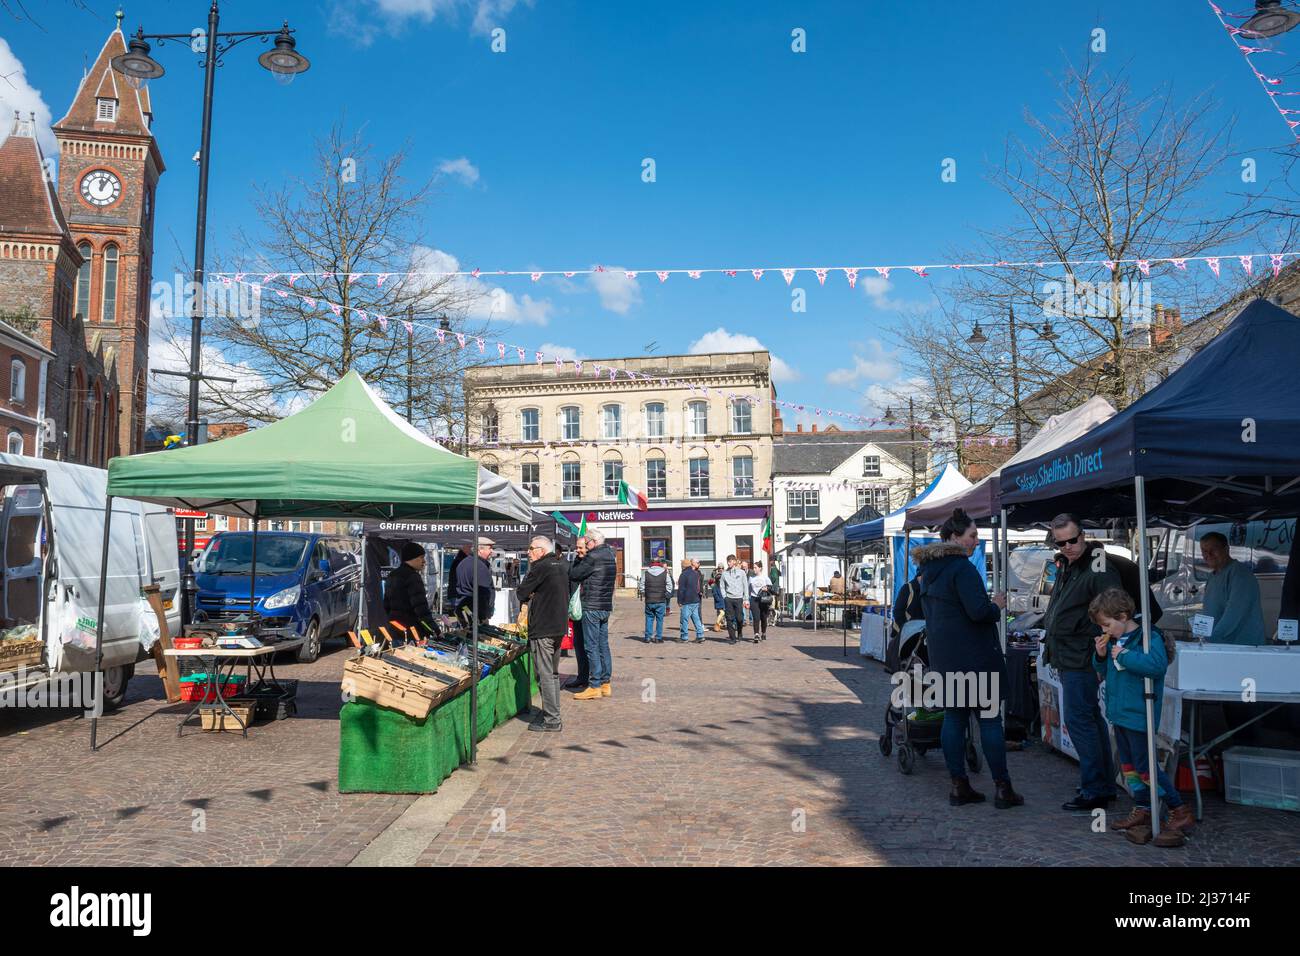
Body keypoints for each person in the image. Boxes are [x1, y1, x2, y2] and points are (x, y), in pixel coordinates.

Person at [915, 508, 1023, 810]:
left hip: (946, 659)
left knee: (954, 718)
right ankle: (1003, 788)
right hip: (976, 658)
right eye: (973, 535)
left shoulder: (928, 571)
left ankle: (959, 785)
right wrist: (996, 605)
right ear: (954, 538)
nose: (977, 541)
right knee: (989, 721)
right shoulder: (962, 569)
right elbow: (978, 612)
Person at [1089, 588, 1193, 845]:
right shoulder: (1116, 640)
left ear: (1123, 616)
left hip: (1139, 713)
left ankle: (1178, 809)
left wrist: (1124, 655)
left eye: (1107, 624)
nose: (1105, 629)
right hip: (1119, 712)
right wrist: (1100, 656)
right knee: (1129, 767)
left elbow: (1156, 667)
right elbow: (1104, 670)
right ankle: (1143, 809)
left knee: (1146, 768)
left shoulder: (1148, 637)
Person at [1042, 513, 1123, 812]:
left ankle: (1095, 789)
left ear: (1083, 535)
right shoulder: (1068, 564)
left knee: (1080, 720)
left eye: (1072, 540)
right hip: (1070, 653)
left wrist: (1100, 646)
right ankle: (1101, 784)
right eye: (1060, 542)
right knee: (1088, 719)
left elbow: (1114, 610)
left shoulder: (1098, 565)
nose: (1067, 546)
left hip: (1082, 655)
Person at [515, 535, 568, 732]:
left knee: (545, 674)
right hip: (558, 625)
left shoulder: (540, 567)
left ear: (542, 551)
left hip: (543, 627)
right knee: (552, 674)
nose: (528, 552)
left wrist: (532, 593)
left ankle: (552, 719)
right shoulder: (562, 564)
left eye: (531, 548)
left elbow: (521, 592)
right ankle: (554, 713)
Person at [569, 529, 616, 700]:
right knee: (603, 644)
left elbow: (574, 574)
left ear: (593, 542)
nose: (586, 547)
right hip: (605, 605)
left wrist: (578, 560)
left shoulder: (593, 556)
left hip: (592, 605)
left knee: (591, 646)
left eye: (587, 543)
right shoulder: (610, 555)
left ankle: (594, 685)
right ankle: (605, 683)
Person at [1200, 532, 1266, 645]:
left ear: (1226, 549)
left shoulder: (1240, 574)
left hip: (1241, 647)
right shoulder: (1212, 576)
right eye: (1204, 551)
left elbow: (1234, 613)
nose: (1208, 554)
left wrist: (1211, 639)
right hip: (1219, 646)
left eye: (1213, 549)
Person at [383, 541, 434, 643]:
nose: (424, 561)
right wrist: (434, 628)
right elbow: (421, 609)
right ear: (412, 558)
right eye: (421, 557)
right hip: (411, 630)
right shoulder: (413, 577)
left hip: (394, 627)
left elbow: (386, 604)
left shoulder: (392, 575)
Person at [563, 539, 589, 691]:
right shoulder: (575, 562)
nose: (577, 550)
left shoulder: (591, 563)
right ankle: (582, 677)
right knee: (578, 645)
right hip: (575, 609)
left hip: (587, 609)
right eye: (577, 547)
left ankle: (593, 679)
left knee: (589, 646)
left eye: (580, 548)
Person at [455, 536, 496, 626]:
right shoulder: (480, 567)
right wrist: (483, 616)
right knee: (476, 637)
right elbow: (483, 594)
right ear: (480, 550)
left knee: (465, 634)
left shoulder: (463, 563)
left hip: (463, 608)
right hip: (475, 612)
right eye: (490, 548)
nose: (492, 551)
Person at [640, 558, 674, 643]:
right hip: (661, 600)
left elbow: (641, 586)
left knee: (649, 618)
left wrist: (646, 593)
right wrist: (666, 594)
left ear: (651, 563)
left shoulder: (646, 573)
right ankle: (658, 637)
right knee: (660, 619)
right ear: (660, 563)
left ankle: (648, 637)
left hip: (649, 600)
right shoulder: (664, 573)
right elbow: (670, 585)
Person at [720, 555, 750, 644]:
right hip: (728, 598)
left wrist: (746, 599)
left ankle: (740, 632)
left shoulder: (741, 573)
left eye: (730, 561)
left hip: (739, 598)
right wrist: (724, 596)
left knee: (740, 618)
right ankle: (732, 637)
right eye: (727, 561)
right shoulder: (724, 573)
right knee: (729, 618)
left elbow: (745, 586)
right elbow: (722, 586)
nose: (728, 563)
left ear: (734, 561)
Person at [677, 558, 706, 643]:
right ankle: (700, 635)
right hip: (695, 599)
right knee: (696, 618)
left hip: (687, 600)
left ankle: (684, 637)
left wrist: (679, 601)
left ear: (683, 566)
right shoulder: (695, 573)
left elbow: (681, 589)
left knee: (684, 619)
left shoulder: (683, 574)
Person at [749, 561, 773, 641]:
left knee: (763, 618)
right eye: (753, 567)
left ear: (760, 568)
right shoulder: (751, 578)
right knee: (756, 617)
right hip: (754, 599)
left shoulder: (765, 578)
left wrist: (767, 588)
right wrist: (746, 599)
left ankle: (763, 633)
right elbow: (749, 589)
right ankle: (756, 634)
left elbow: (771, 588)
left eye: (755, 567)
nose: (754, 569)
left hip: (763, 600)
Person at [711, 566, 727, 631]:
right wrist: (718, 599)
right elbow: (715, 594)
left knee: (722, 614)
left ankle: (718, 626)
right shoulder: (715, 586)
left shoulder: (722, 586)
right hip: (719, 602)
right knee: (722, 613)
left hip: (722, 602)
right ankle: (717, 624)